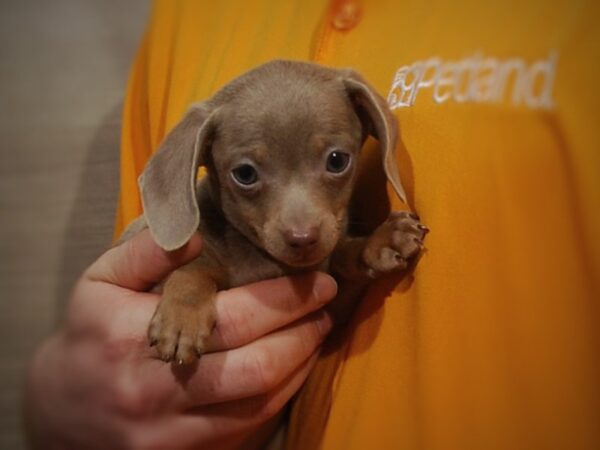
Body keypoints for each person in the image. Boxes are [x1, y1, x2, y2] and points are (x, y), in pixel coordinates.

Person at [26, 0, 600, 449]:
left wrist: (359, 251)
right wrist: (58, 406)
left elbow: (322, 273)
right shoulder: (183, 23)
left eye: (335, 163)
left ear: (371, 130)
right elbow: (147, 280)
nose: (300, 226)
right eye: (248, 174)